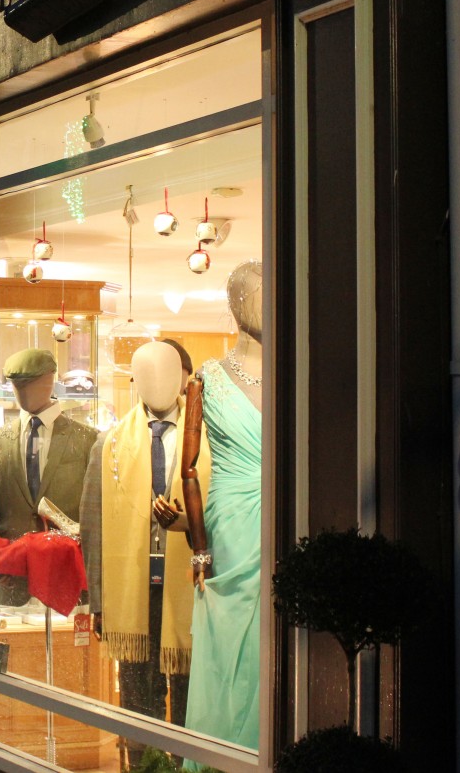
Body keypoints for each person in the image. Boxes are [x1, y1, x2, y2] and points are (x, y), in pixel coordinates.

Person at [79, 341, 211, 765]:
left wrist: (189, 527)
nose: (157, 383)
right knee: (140, 702)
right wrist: (99, 601)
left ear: (182, 378)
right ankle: (144, 767)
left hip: (191, 589)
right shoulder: (111, 444)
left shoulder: (208, 441)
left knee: (192, 697)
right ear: (134, 381)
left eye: (167, 372)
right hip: (133, 593)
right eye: (146, 374)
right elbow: (93, 525)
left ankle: (188, 766)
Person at [182, 260, 264, 757]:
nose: (264, 304)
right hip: (230, 518)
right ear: (235, 305)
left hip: (286, 507)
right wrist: (199, 546)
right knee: (233, 632)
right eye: (254, 294)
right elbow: (188, 468)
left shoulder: (297, 366)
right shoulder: (206, 378)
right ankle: (222, 753)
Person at [0, 348, 97, 604]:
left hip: (66, 579)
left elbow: (96, 514)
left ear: (49, 380)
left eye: (29, 384)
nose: (22, 392)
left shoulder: (88, 440)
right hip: (10, 581)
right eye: (17, 385)